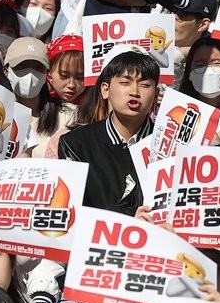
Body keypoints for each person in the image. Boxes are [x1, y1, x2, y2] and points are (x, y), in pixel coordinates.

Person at [59, 51, 157, 214]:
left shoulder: (171, 143)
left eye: (145, 85)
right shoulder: (76, 144)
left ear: (156, 95)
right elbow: (76, 210)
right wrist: (130, 220)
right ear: (105, 90)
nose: (134, 91)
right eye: (125, 82)